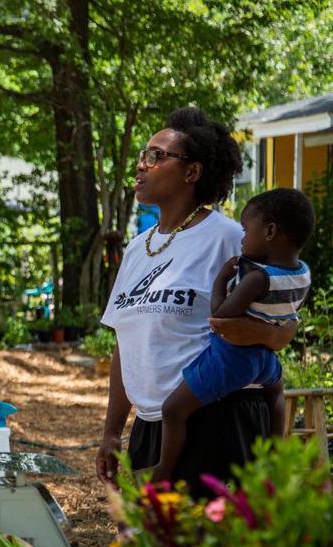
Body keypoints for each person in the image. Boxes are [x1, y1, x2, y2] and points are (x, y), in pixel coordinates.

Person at [95, 107, 296, 497]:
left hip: (218, 421)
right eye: (143, 154)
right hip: (153, 427)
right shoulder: (138, 249)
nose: (142, 164)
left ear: (193, 172)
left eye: (156, 156)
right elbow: (125, 344)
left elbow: (282, 322)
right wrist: (110, 432)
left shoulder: (228, 239)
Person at [151, 188, 312, 481]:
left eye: (245, 230)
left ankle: (163, 469)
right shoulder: (303, 273)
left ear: (270, 231)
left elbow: (220, 318)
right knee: (275, 395)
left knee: (173, 410)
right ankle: (276, 454)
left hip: (233, 358)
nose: (241, 239)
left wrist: (222, 279)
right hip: (266, 358)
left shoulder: (256, 279)